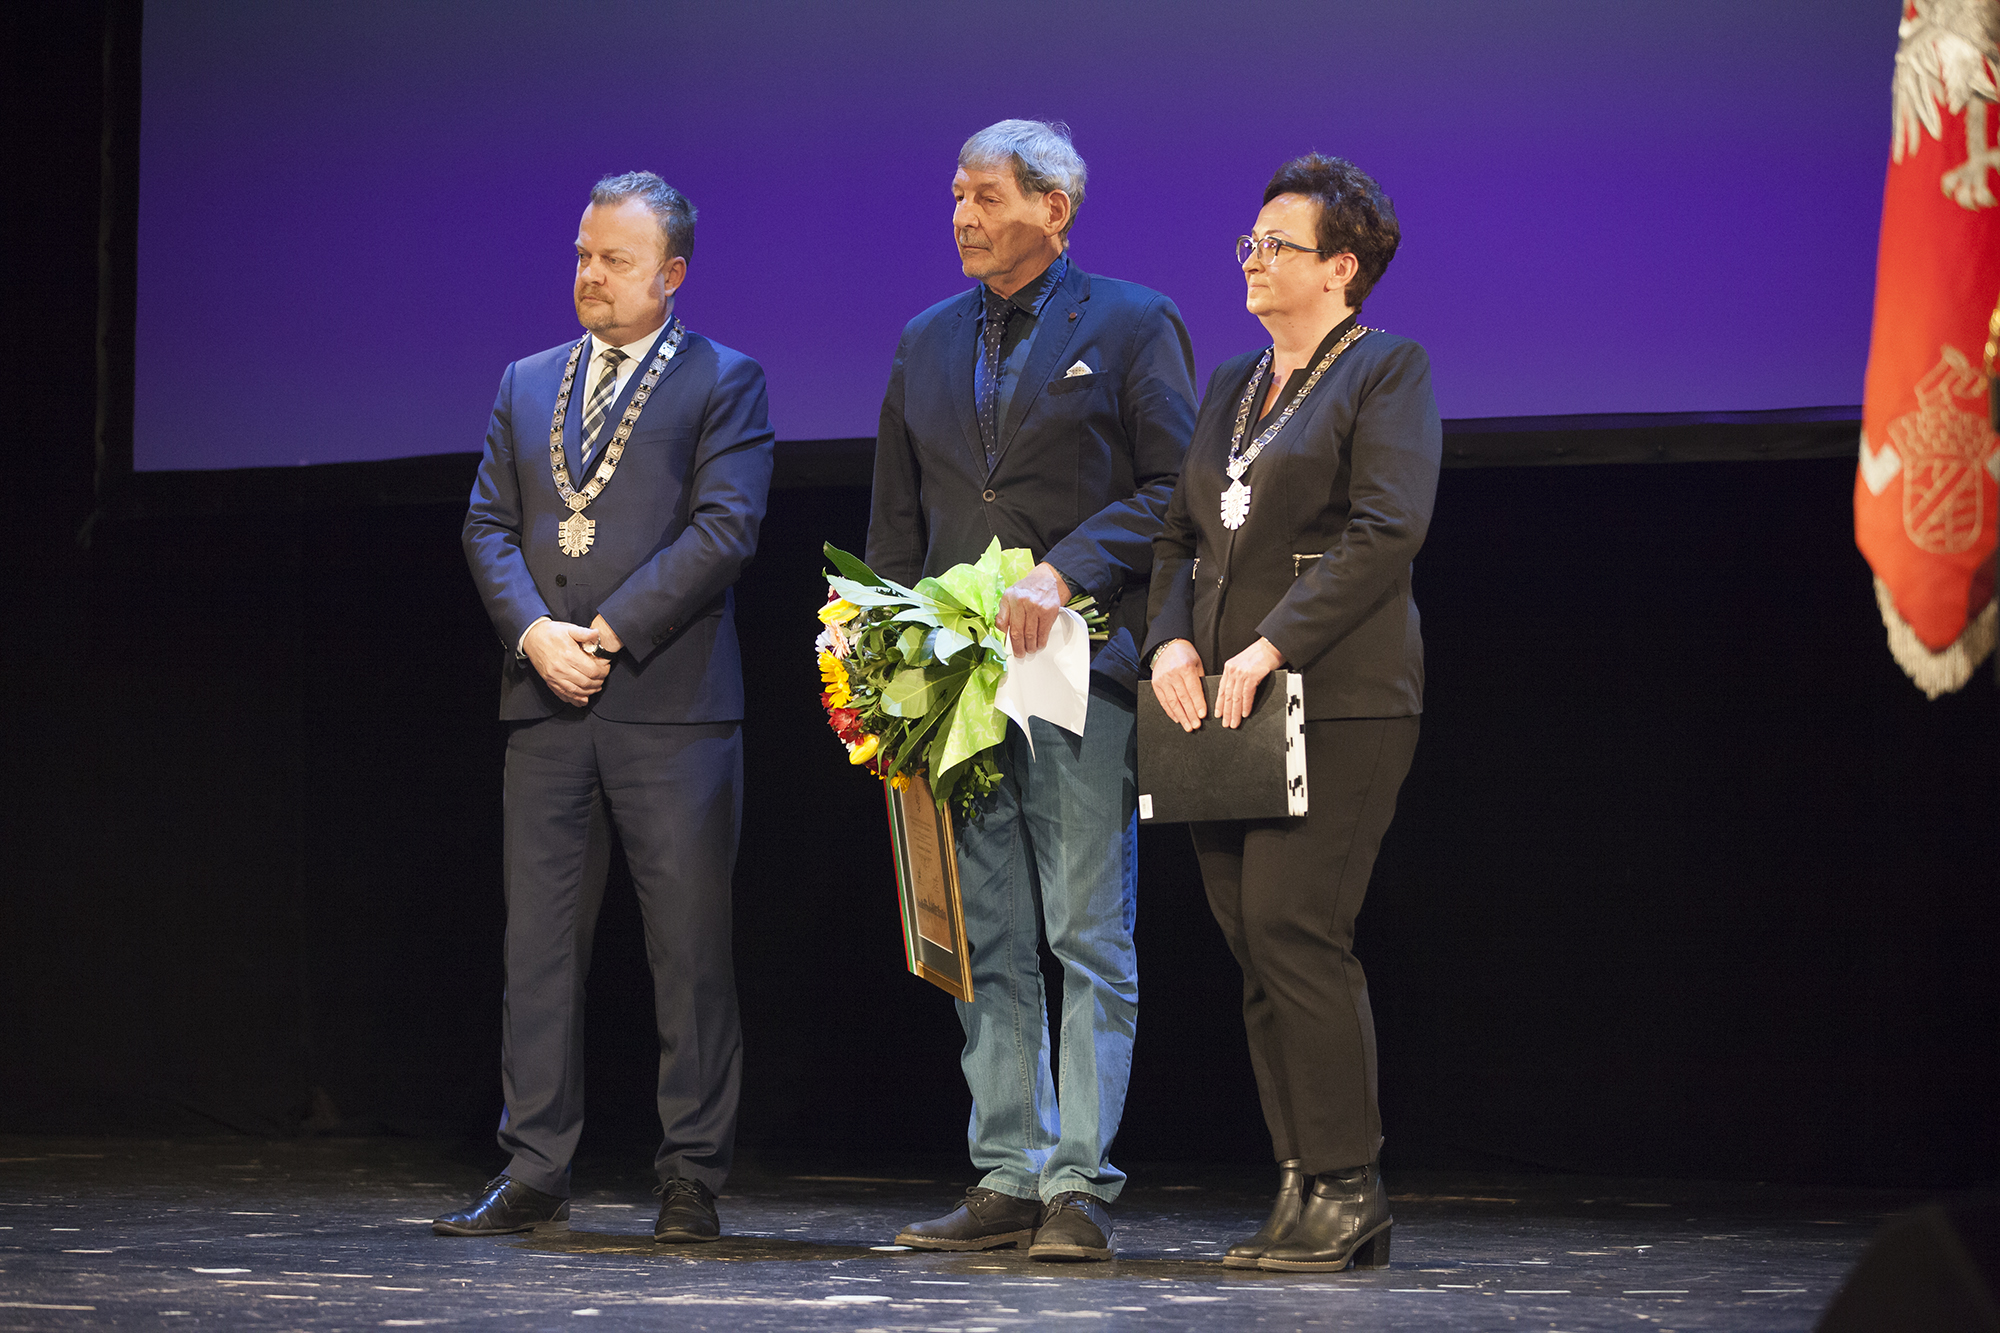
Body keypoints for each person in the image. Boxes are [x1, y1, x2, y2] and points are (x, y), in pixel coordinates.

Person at [867, 120, 1197, 1262]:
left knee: (1086, 930)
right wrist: (885, 661)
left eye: (987, 196)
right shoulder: (923, 339)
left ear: (1054, 209)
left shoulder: (1131, 321)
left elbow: (1175, 489)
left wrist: (1067, 567)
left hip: (1078, 664)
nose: (963, 216)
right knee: (988, 932)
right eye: (956, 196)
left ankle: (1080, 1184)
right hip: (955, 683)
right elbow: (897, 522)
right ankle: (1008, 1172)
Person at [441, 171, 774, 1244]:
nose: (591, 274)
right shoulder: (527, 379)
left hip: (670, 709)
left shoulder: (724, 379)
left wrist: (607, 631)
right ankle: (534, 1168)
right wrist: (534, 633)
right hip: (545, 704)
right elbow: (487, 525)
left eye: (615, 260)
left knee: (688, 951)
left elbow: (725, 529)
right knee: (537, 948)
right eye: (584, 255)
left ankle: (690, 1177)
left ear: (670, 274)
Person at [1142, 154, 1440, 1273]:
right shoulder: (1231, 382)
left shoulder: (1386, 369)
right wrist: (1169, 638)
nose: (1254, 259)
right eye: (1250, 242)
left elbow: (1386, 528)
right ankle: (1299, 1180)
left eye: (1278, 244)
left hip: (1339, 698)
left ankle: (1349, 1186)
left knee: (1294, 927)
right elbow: (1179, 535)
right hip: (1219, 706)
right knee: (1250, 940)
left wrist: (1270, 643)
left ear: (1340, 268)